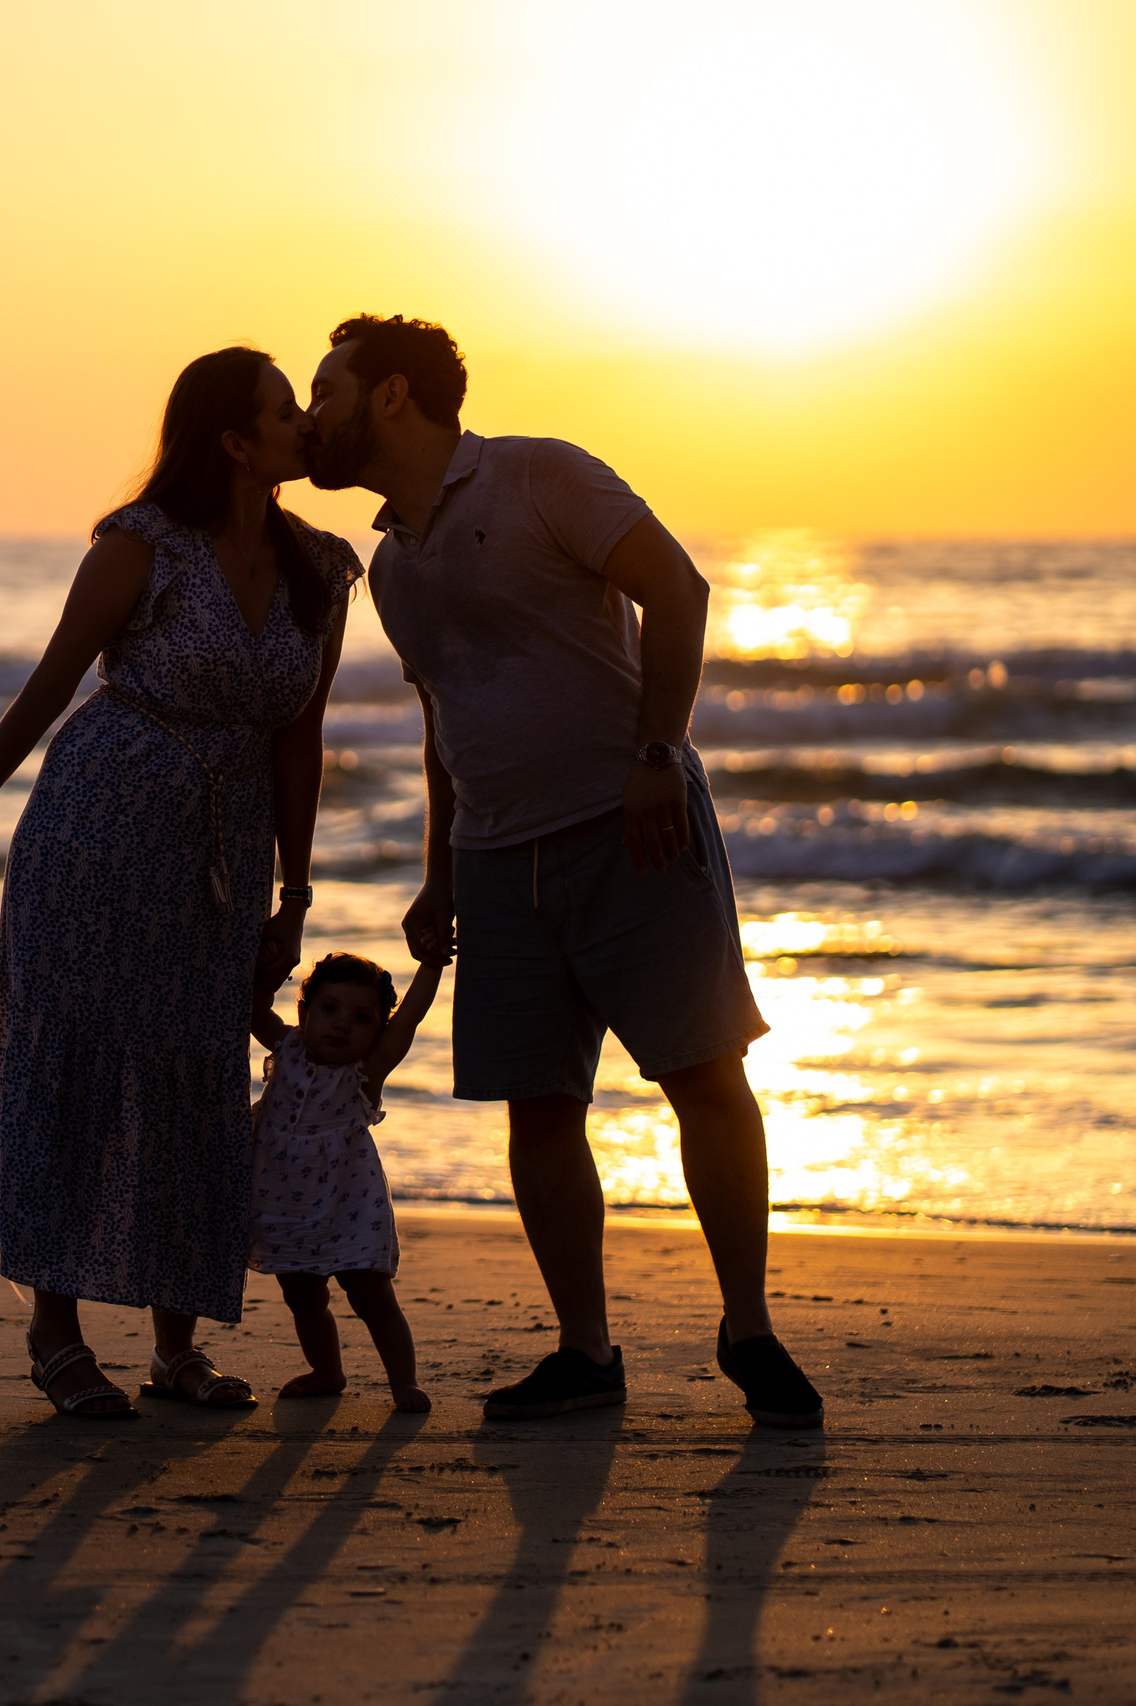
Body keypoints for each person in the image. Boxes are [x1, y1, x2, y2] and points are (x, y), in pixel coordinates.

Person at [303, 313, 822, 1429]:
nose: (312, 420)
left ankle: (748, 1326)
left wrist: (655, 753)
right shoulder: (392, 564)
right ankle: (585, 1352)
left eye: (325, 393)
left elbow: (677, 590)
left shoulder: (540, 475)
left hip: (627, 826)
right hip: (495, 863)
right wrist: (439, 871)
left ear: (390, 396)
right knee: (537, 1106)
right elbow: (448, 717)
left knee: (703, 1070)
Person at [0, 347, 361, 1419]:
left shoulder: (322, 565)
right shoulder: (142, 547)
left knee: (196, 1076)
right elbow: (47, 686)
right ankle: (55, 1328)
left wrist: (294, 893)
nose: (304, 422)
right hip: (96, 832)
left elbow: (300, 741)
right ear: (231, 438)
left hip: (220, 858)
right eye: (281, 410)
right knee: (76, 1071)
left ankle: (176, 1347)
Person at [248, 950, 445, 1409]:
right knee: (302, 1295)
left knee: (371, 1292)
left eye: (361, 1018)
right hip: (284, 1206)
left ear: (377, 1032)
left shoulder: (364, 1073)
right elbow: (253, 1005)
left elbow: (409, 1020)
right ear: (305, 1012)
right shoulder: (287, 1046)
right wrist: (268, 963)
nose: (341, 1024)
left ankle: (403, 1383)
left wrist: (432, 964)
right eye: (329, 1009)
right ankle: (326, 1370)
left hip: (349, 1205)